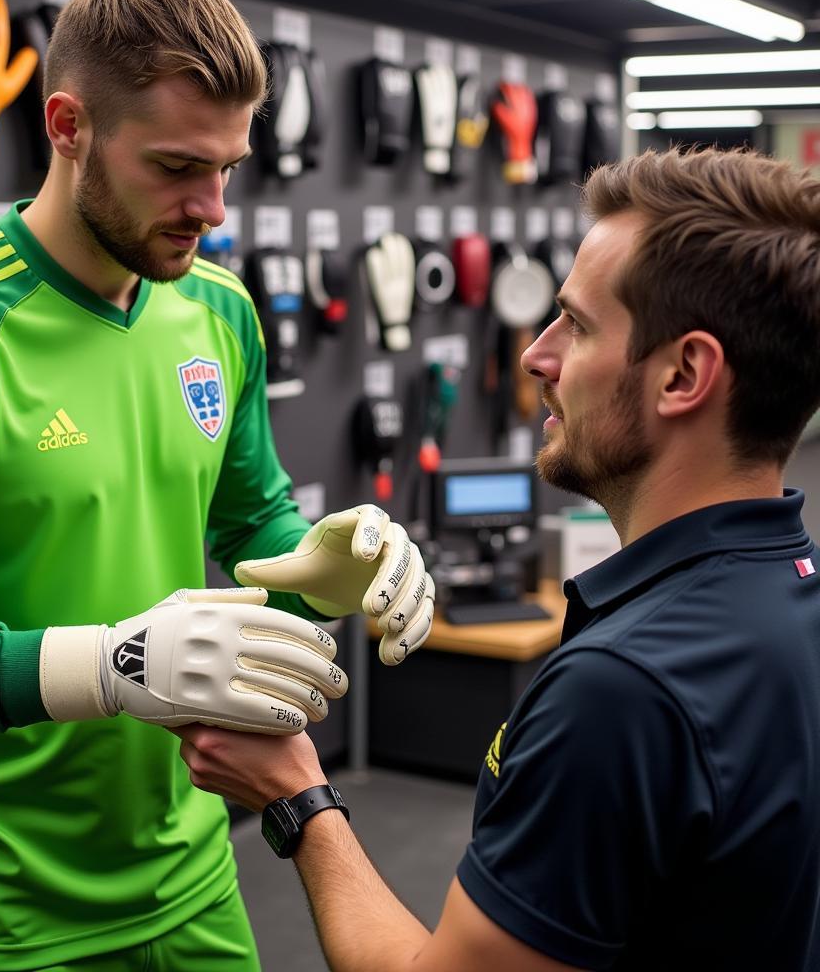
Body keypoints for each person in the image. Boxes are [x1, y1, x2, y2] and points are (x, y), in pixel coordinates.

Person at [0, 0, 434, 969]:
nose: (212, 207)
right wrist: (107, 665)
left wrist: (321, 561)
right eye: (177, 168)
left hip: (190, 873)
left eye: (227, 167)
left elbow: (250, 516)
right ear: (67, 128)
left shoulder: (218, 309)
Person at [178, 145, 820, 971]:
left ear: (684, 374)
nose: (535, 355)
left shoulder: (621, 696)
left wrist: (298, 797)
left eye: (578, 326)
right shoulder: (792, 602)